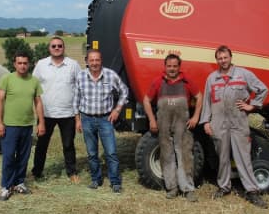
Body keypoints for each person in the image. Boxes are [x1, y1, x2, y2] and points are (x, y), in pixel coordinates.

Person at [200, 45, 269, 208]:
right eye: (220, 58)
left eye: (225, 57)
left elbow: (263, 89)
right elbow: (207, 102)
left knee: (243, 158)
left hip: (238, 123)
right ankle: (224, 187)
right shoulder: (212, 78)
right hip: (218, 124)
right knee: (222, 158)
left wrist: (253, 106)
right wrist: (206, 122)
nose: (223, 61)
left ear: (231, 58)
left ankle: (252, 191)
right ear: (216, 60)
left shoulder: (244, 74)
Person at [142, 54, 202, 201]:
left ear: (179, 67)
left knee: (185, 156)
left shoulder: (186, 82)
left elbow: (199, 97)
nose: (172, 69)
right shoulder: (158, 82)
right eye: (169, 66)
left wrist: (195, 117)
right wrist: (152, 120)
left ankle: (188, 189)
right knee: (166, 156)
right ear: (165, 66)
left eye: (175, 66)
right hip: (163, 125)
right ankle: (172, 187)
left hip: (182, 125)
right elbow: (146, 100)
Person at [73, 49, 129, 193]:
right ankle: (95, 180)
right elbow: (76, 99)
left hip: (105, 119)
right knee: (92, 153)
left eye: (97, 60)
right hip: (87, 119)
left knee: (111, 152)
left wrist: (117, 110)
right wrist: (77, 120)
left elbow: (124, 91)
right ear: (87, 61)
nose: (94, 63)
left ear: (101, 60)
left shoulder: (110, 75)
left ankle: (115, 182)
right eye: (91, 60)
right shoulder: (81, 76)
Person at [0, 51, 45, 201]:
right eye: (20, 63)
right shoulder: (7, 79)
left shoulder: (34, 81)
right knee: (9, 157)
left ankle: (19, 183)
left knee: (24, 157)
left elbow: (38, 102)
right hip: (9, 126)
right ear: (14, 64)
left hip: (27, 125)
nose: (22, 66)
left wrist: (41, 122)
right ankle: (6, 186)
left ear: (29, 64)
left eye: (25, 63)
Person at [31, 37, 81, 183]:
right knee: (41, 145)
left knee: (68, 145)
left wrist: (79, 115)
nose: (57, 48)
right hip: (46, 113)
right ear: (49, 48)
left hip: (68, 114)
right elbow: (34, 87)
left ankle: (71, 172)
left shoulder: (73, 65)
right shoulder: (41, 65)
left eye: (60, 46)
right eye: (54, 46)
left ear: (64, 48)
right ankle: (37, 172)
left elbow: (80, 87)